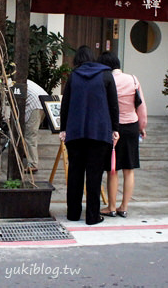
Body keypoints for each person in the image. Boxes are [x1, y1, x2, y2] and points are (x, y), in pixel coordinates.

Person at [59, 46, 120, 225]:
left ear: (77, 59)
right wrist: (115, 129)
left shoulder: (74, 76)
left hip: (75, 133)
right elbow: (113, 105)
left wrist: (63, 129)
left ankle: (73, 213)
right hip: (99, 132)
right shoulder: (106, 75)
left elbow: (66, 105)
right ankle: (93, 216)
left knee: (75, 173)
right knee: (94, 175)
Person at [97, 51, 147, 218]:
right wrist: (142, 126)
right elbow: (141, 106)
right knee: (129, 169)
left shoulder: (105, 80)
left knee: (113, 169)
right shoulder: (133, 79)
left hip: (113, 128)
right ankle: (124, 207)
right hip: (132, 126)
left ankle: (110, 207)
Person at [24, 79, 48, 172]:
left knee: (30, 135)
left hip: (35, 105)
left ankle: (32, 164)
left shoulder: (15, 83)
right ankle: (27, 154)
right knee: (29, 133)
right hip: (43, 103)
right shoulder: (25, 80)